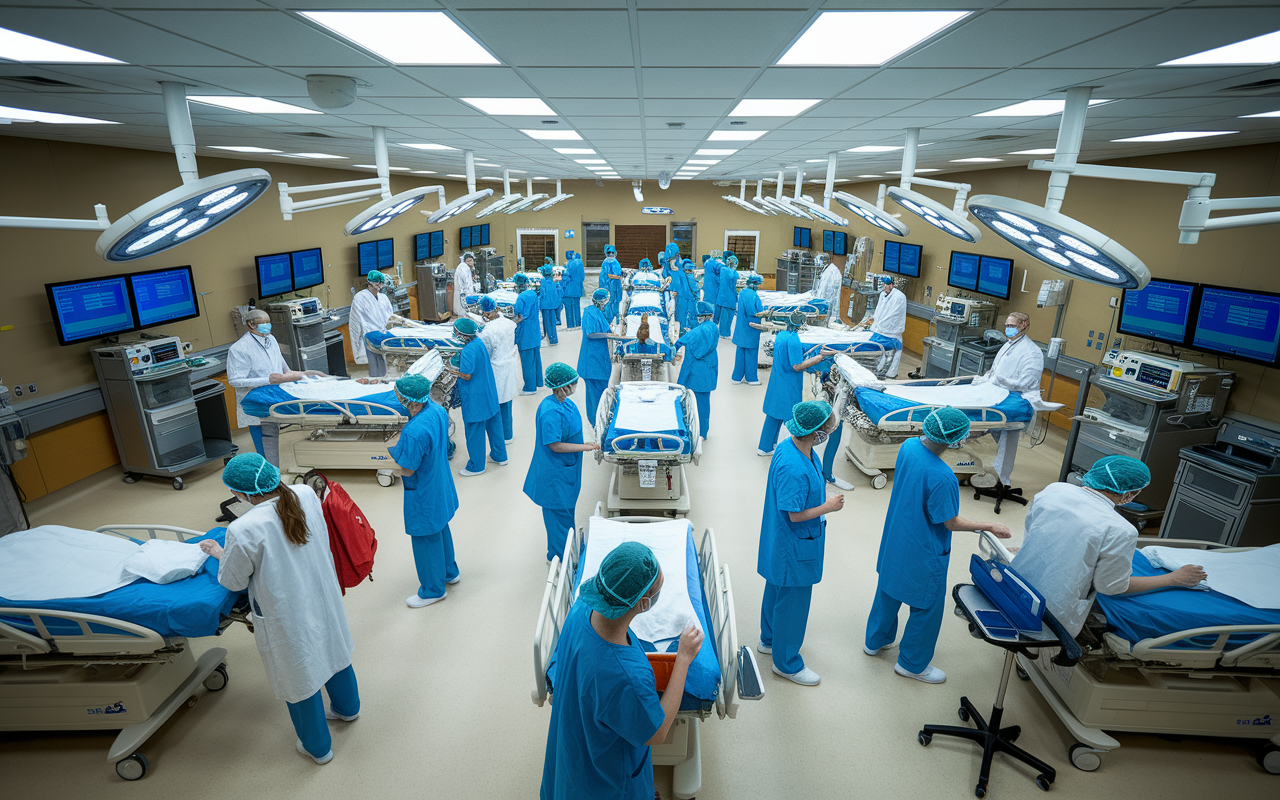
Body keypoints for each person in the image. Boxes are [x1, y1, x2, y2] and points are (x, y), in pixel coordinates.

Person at [199, 453, 358, 764]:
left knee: (298, 674)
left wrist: (219, 553)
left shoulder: (244, 528)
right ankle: (348, 709)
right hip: (321, 594)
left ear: (239, 493)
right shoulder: (305, 493)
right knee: (333, 649)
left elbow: (232, 581)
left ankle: (317, 748)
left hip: (287, 612)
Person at [540, 542, 702, 800]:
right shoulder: (626, 677)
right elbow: (657, 733)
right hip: (607, 787)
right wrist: (683, 658)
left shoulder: (582, 606)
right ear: (644, 602)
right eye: (658, 587)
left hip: (572, 753)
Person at [864, 407, 1011, 684]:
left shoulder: (908, 447)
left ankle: (875, 641)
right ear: (955, 440)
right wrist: (989, 525)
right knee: (927, 606)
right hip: (922, 549)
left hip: (897, 539)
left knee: (888, 590)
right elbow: (950, 522)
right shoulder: (942, 476)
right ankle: (912, 664)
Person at [1013, 456, 1206, 638]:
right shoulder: (1120, 529)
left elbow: (1032, 532)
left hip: (1014, 585)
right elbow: (1111, 587)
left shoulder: (1055, 490)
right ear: (1129, 495)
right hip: (1048, 612)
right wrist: (1173, 578)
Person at [757, 401, 845, 686]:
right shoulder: (793, 466)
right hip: (794, 543)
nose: (827, 432)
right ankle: (786, 663)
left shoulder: (793, 447)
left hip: (785, 541)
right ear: (815, 432)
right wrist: (828, 507)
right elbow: (795, 515)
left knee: (777, 587)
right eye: (825, 428)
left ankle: (769, 640)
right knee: (793, 602)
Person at [386, 374, 460, 608]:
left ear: (411, 402)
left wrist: (387, 468)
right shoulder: (437, 411)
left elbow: (407, 470)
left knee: (426, 537)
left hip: (424, 492)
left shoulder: (414, 431)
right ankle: (450, 572)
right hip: (439, 484)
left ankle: (433, 590)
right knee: (440, 528)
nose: (398, 399)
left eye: (400, 397)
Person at [523, 363, 600, 564]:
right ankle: (558, 559)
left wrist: (587, 442)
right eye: (572, 384)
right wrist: (587, 447)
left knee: (566, 515)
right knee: (558, 517)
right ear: (562, 386)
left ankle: (568, 550)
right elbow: (555, 446)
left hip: (567, 470)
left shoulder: (566, 403)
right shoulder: (551, 411)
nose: (574, 387)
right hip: (555, 475)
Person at [227, 309, 317, 466]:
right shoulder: (239, 349)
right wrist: (268, 379)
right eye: (263, 323)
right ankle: (269, 475)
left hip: (274, 396)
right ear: (250, 324)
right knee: (264, 444)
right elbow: (234, 380)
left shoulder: (271, 340)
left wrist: (305, 374)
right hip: (255, 402)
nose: (267, 326)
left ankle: (272, 471)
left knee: (272, 436)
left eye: (268, 322)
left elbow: (285, 371)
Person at [973, 311, 1043, 487]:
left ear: (1023, 325)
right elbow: (996, 370)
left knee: (1007, 443)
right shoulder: (1009, 344)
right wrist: (986, 379)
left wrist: (1001, 380)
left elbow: (1026, 383)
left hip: (1016, 403)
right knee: (995, 436)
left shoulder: (1031, 352)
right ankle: (992, 469)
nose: (1008, 329)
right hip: (999, 395)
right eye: (1007, 326)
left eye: (1012, 326)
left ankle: (1002, 480)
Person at [758, 311, 832, 456]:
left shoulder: (781, 335)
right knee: (790, 417)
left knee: (773, 416)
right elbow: (797, 366)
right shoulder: (793, 339)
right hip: (788, 384)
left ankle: (765, 447)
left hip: (777, 381)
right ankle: (791, 452)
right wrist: (819, 358)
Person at [453, 318, 507, 477]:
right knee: (494, 426)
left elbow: (467, 375)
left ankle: (476, 466)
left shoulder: (468, 350)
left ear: (462, 335)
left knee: (474, 431)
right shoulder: (479, 343)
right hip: (488, 392)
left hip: (475, 397)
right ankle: (500, 456)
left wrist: (452, 370)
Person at [674, 301, 719, 439]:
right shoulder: (713, 327)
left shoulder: (698, 332)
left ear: (701, 316)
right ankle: (702, 432)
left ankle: (693, 431)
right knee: (704, 404)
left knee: (692, 403)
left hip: (696, 372)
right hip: (708, 371)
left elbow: (681, 342)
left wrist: (671, 352)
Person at [477, 295, 519, 443]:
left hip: (496, 369)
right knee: (507, 403)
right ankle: (508, 434)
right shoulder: (508, 323)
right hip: (509, 364)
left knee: (497, 404)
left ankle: (501, 437)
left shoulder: (488, 331)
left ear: (486, 314)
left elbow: (486, 352)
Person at [577, 288, 614, 427]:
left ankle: (600, 420)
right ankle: (596, 424)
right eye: (604, 301)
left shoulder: (598, 312)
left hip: (599, 359)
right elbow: (591, 333)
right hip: (591, 362)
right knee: (594, 397)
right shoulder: (589, 312)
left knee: (601, 393)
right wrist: (609, 335)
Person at [349, 270, 395, 378]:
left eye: (381, 283)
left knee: (385, 372)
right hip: (369, 340)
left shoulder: (383, 298)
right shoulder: (360, 298)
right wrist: (356, 347)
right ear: (370, 283)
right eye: (377, 283)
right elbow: (355, 325)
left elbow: (391, 318)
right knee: (375, 373)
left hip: (384, 339)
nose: (380, 285)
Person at [859, 276, 907, 378]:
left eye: (886, 284)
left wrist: (879, 326)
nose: (884, 287)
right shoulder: (882, 295)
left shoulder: (899, 297)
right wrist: (873, 325)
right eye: (883, 284)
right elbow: (878, 312)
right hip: (878, 331)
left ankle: (889, 375)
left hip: (890, 334)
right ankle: (876, 371)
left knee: (889, 366)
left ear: (892, 285)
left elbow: (892, 316)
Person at [731, 273, 766, 385]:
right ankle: (751, 379)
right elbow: (753, 311)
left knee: (740, 353)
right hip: (750, 328)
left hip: (742, 327)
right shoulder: (752, 295)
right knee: (751, 353)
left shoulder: (743, 292)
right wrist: (764, 313)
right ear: (756, 284)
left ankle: (736, 378)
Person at [513, 272, 543, 395]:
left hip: (525, 334)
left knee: (527, 361)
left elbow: (519, 314)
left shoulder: (521, 298)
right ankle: (537, 382)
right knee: (535, 359)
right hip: (534, 331)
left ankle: (529, 388)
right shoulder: (532, 294)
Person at [814, 258, 844, 327]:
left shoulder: (833, 272)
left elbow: (832, 296)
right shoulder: (827, 271)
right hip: (823, 306)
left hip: (828, 308)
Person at [715, 252, 739, 338]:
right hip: (729, 299)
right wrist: (736, 298)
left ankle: (719, 331)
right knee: (727, 317)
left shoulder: (723, 270)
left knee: (721, 316)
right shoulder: (734, 274)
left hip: (721, 297)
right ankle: (724, 333)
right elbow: (733, 288)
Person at [672, 258, 699, 333]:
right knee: (691, 318)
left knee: (681, 318)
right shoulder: (691, 278)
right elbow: (695, 289)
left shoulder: (679, 276)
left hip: (680, 301)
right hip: (691, 301)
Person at [539, 261, 561, 346]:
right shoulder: (553, 282)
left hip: (545, 305)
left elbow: (542, 295)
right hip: (553, 305)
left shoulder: (543, 282)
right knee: (552, 322)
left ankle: (547, 339)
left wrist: (539, 304)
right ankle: (554, 339)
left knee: (546, 323)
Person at [562, 250, 585, 330]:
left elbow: (566, 278)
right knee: (576, 309)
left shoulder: (569, 265)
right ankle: (578, 324)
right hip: (577, 291)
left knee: (569, 310)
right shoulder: (580, 264)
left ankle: (571, 325)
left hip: (568, 292)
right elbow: (582, 278)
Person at [601, 244, 623, 322]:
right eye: (609, 252)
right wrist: (620, 277)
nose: (611, 254)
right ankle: (610, 322)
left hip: (613, 286)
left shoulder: (612, 261)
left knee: (614, 303)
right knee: (610, 304)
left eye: (612, 252)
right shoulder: (608, 262)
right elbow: (610, 275)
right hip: (610, 286)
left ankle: (614, 320)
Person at [453, 251, 478, 320]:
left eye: (471, 260)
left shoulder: (465, 267)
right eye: (468, 261)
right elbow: (467, 284)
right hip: (464, 294)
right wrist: (469, 295)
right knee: (464, 313)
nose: (470, 262)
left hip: (464, 294)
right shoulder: (464, 268)